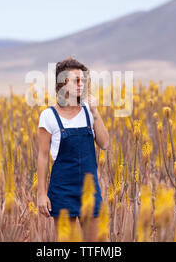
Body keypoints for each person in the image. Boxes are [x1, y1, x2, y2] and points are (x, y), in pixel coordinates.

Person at [37, 57, 110, 241]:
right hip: (62, 190)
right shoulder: (48, 116)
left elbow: (105, 144)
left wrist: (95, 112)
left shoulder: (88, 111)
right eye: (76, 80)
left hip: (89, 190)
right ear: (62, 83)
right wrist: (41, 194)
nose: (81, 84)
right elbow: (43, 157)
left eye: (83, 80)